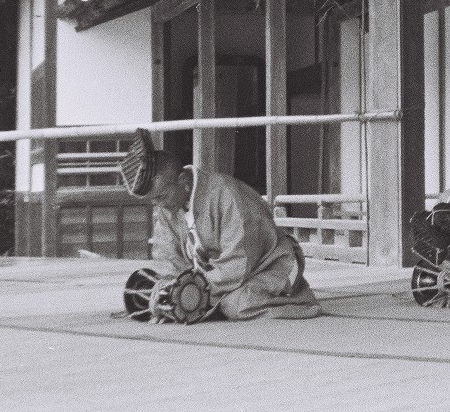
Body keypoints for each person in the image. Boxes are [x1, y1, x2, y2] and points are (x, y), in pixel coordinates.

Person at [119, 130, 321, 320]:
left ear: (183, 181)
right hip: (221, 277)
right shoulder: (169, 206)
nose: (159, 205)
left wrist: (196, 289)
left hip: (271, 265)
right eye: (154, 200)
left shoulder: (227, 196)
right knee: (171, 298)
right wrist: (170, 286)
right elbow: (169, 257)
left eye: (162, 197)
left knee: (236, 305)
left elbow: (239, 260)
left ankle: (301, 301)